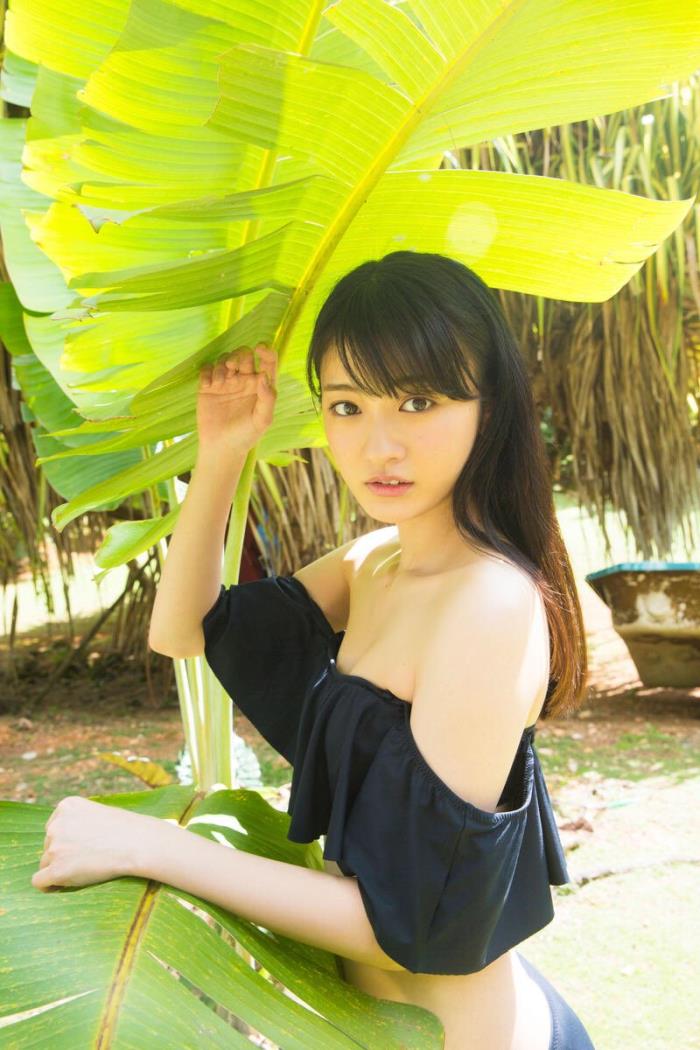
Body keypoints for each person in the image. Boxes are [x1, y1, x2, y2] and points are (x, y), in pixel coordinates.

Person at [149, 250, 597, 1050]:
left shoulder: (490, 605)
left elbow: (408, 927)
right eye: (347, 406)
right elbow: (183, 630)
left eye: (418, 401)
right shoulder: (374, 564)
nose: (378, 446)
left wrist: (157, 849)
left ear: (489, 407)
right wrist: (220, 452)